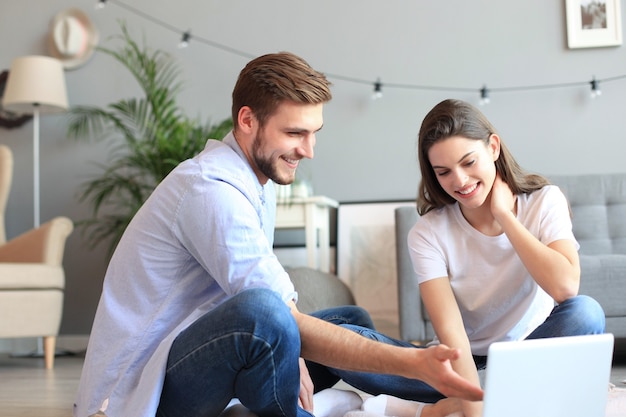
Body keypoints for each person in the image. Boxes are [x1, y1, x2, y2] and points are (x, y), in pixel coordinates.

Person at [73, 54, 483, 417]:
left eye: (314, 132)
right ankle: (465, 389)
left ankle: (465, 393)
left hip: (203, 357)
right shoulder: (210, 189)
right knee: (265, 315)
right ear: (248, 120)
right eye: (295, 134)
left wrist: (292, 338)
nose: (309, 150)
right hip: (138, 391)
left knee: (347, 320)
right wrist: (409, 362)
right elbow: (271, 313)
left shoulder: (254, 181)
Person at [363, 98, 606, 417]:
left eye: (468, 162)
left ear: (493, 147)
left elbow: (565, 288)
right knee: (345, 342)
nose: (460, 181)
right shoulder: (427, 233)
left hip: (525, 354)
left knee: (586, 313)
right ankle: (503, 397)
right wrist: (475, 408)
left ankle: (432, 409)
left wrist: (505, 216)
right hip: (457, 363)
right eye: (444, 172)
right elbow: (452, 334)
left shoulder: (545, 201)